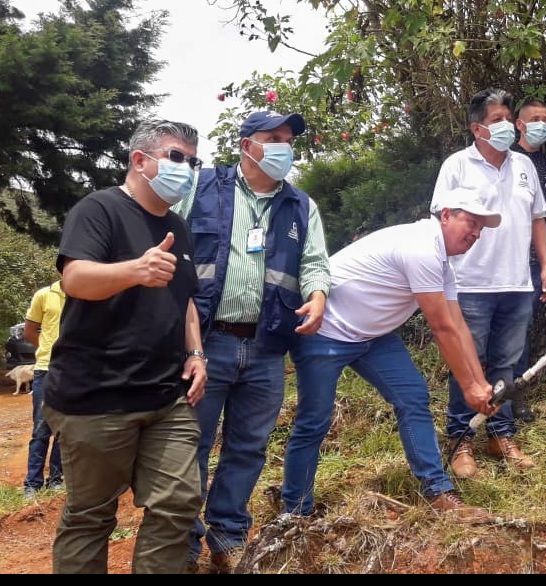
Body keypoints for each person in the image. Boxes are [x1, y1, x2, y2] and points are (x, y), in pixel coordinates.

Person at [42, 119, 208, 573]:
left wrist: (195, 353)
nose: (188, 169)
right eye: (177, 157)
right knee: (91, 516)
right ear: (140, 160)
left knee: (179, 501)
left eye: (194, 162)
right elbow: (75, 278)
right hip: (96, 396)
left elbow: (186, 300)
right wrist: (135, 269)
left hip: (165, 395)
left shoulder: (178, 226)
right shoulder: (98, 210)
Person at [281, 188, 504, 524]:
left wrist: (480, 383)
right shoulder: (420, 248)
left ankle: (437, 491)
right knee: (314, 421)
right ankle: (295, 513)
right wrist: (468, 387)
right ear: (445, 215)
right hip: (326, 332)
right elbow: (442, 328)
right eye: (470, 222)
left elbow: (459, 326)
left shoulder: (442, 263)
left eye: (480, 229)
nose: (474, 233)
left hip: (372, 336)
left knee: (413, 396)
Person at [173, 110, 332, 574]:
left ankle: (228, 538)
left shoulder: (300, 206)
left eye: (289, 139)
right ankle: (182, 546)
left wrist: (318, 295)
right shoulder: (200, 188)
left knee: (247, 448)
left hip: (265, 348)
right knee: (191, 444)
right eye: (273, 137)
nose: (284, 146)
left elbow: (315, 263)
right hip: (204, 344)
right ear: (246, 145)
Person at [432, 88, 546, 477]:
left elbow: (537, 219)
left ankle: (500, 434)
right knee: (468, 363)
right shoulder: (456, 165)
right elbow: (441, 221)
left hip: (517, 282)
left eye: (507, 118)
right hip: (469, 283)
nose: (504, 126)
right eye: (496, 119)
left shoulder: (524, 166)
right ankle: (459, 439)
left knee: (507, 363)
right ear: (477, 128)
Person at [511, 98, 546, 423]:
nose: (541, 125)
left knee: (522, 328)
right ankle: (484, 390)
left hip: (533, 262)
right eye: (535, 119)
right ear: (519, 124)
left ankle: (514, 394)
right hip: (499, 262)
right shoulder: (503, 158)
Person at [21, 280, 65, 501]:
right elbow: (29, 331)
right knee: (41, 429)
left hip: (72, 372)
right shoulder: (44, 295)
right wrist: (47, 349)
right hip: (46, 370)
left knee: (62, 430)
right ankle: (32, 483)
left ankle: (56, 480)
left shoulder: (84, 296)